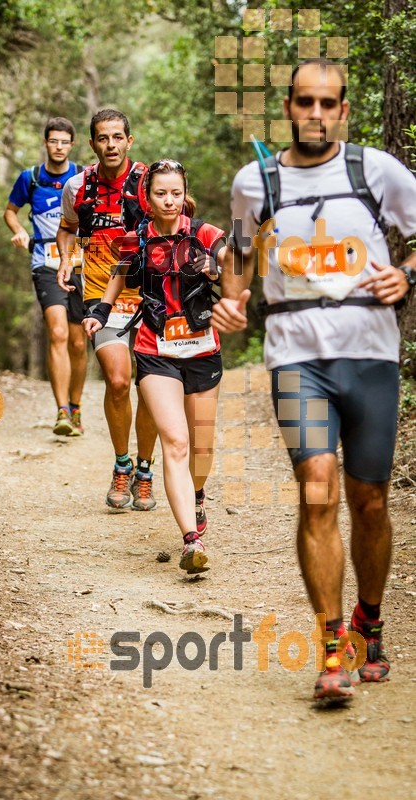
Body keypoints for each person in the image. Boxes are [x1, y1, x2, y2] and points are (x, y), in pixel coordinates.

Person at [212, 58, 416, 700]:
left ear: (345, 110)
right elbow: (240, 250)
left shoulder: (376, 171)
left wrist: (408, 273)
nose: (317, 114)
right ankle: (333, 651)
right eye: (306, 102)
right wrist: (234, 299)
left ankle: (369, 623)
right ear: (289, 107)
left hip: (372, 357)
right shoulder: (257, 180)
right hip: (295, 358)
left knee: (371, 501)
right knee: (318, 491)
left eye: (329, 104)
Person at [83, 160, 234, 572]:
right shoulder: (136, 239)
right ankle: (191, 541)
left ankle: (197, 495)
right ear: (147, 199)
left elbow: (232, 261)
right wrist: (101, 310)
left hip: (203, 351)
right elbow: (118, 275)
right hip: (156, 350)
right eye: (161, 193)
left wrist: (219, 268)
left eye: (176, 193)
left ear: (185, 194)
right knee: (177, 443)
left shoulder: (203, 232)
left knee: (201, 448)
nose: (169, 200)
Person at [57, 109, 158, 511]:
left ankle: (145, 470)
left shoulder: (150, 182)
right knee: (118, 381)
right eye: (103, 138)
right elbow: (67, 228)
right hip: (103, 296)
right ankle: (122, 465)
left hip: (152, 297)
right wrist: (66, 259)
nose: (111, 145)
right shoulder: (77, 186)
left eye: (118, 137)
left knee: (150, 385)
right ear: (92, 143)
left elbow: (177, 221)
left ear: (129, 141)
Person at [4, 116, 87, 437]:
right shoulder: (31, 178)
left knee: (79, 342)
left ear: (72, 145)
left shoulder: (82, 177)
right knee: (58, 333)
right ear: (45, 143)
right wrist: (19, 231)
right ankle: (62, 411)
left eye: (64, 142)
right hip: (44, 262)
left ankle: (76, 407)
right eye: (53, 141)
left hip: (80, 265)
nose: (59, 147)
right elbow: (10, 211)